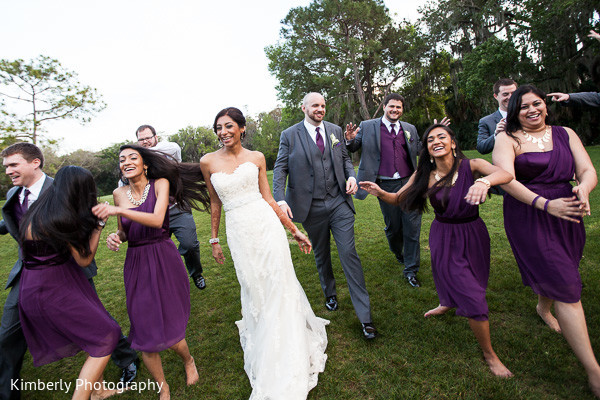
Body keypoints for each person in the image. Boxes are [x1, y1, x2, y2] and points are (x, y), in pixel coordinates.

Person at [360, 124, 513, 377]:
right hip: (444, 236)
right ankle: (490, 354)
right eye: (430, 140)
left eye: (442, 136)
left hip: (474, 233)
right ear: (428, 150)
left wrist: (484, 182)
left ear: (453, 143)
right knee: (473, 295)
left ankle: (447, 302)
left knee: (476, 281)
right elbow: (399, 198)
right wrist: (381, 193)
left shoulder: (472, 166)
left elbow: (505, 174)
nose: (436, 141)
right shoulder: (425, 174)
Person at [200, 107, 328, 400]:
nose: (223, 132)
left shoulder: (256, 157)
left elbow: (269, 198)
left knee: (278, 283)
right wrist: (214, 239)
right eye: (218, 128)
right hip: (239, 232)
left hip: (266, 227)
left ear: (242, 128)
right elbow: (215, 203)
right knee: (254, 286)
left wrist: (293, 230)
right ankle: (265, 338)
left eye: (229, 126)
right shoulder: (207, 162)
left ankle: (287, 346)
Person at [0, 143, 138, 400]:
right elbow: (83, 256)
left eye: (13, 164)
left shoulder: (56, 194)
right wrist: (98, 226)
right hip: (44, 277)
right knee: (101, 332)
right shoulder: (39, 205)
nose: (8, 170)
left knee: (96, 322)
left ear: (35, 162)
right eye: (6, 166)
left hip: (58, 275)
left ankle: (111, 374)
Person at [492, 84, 600, 396]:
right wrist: (544, 203)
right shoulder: (507, 138)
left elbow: (587, 169)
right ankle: (594, 371)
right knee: (566, 284)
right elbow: (506, 179)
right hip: (530, 214)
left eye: (536, 103)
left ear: (546, 106)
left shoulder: (566, 133)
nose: (531, 110)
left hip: (568, 213)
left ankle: (543, 307)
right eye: (523, 106)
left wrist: (584, 188)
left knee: (565, 268)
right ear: (515, 112)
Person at [93, 144, 209, 400]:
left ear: (145, 164)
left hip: (162, 256)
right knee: (143, 326)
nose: (126, 162)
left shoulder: (160, 184)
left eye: (132, 157)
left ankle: (188, 360)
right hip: (136, 260)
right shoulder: (118, 193)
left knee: (169, 324)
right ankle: (162, 385)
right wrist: (116, 237)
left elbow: (157, 220)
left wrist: (119, 210)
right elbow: (124, 230)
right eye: (122, 160)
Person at [273, 92, 377, 339]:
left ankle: (365, 318)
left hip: (340, 202)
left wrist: (351, 175)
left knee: (349, 254)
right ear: (304, 107)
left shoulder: (335, 130)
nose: (320, 109)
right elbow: (280, 167)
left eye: (322, 105)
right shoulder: (289, 135)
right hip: (311, 206)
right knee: (321, 253)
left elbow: (344, 159)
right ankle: (329, 293)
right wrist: (280, 199)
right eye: (315, 105)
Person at [345, 93, 427, 287]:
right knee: (394, 227)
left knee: (412, 227)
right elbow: (354, 146)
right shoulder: (368, 126)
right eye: (391, 106)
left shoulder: (409, 128)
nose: (395, 110)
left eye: (398, 107)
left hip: (410, 183)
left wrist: (438, 133)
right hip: (385, 185)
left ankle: (411, 269)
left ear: (402, 109)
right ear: (384, 107)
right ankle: (399, 252)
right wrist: (349, 139)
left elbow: (420, 150)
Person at [136, 125, 207, 290]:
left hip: (178, 208)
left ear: (156, 138)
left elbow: (174, 147)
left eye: (148, 137)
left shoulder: (169, 151)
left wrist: (144, 151)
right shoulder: (136, 160)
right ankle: (170, 281)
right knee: (157, 251)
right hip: (154, 214)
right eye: (141, 139)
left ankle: (196, 273)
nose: (145, 141)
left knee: (190, 245)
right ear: (137, 141)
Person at [477, 78, 518, 155]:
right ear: (496, 96)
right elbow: (481, 148)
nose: (510, 97)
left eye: (513, 93)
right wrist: (496, 135)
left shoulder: (528, 115)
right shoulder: (486, 121)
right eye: (505, 94)